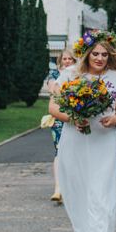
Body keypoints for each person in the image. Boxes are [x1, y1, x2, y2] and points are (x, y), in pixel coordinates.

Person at [49, 30, 116, 232]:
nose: (100, 58)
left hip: (104, 142)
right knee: (79, 196)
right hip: (75, 141)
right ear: (86, 53)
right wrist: (73, 118)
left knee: (103, 197)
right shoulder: (70, 75)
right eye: (95, 53)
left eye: (105, 54)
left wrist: (114, 119)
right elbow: (52, 107)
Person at [47, 49, 76, 203]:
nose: (67, 61)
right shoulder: (54, 75)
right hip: (59, 117)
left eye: (70, 59)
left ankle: (70, 186)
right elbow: (53, 90)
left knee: (73, 153)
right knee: (59, 151)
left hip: (76, 117)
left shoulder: (78, 75)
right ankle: (58, 187)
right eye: (64, 58)